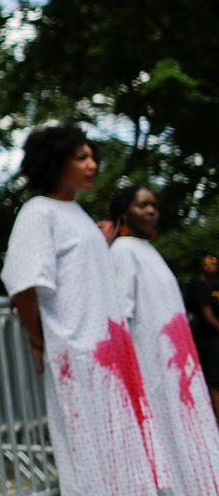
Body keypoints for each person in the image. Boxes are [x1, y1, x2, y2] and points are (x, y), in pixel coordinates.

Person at [0, 124, 162, 496]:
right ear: (56, 162)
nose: (92, 164)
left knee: (123, 456)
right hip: (79, 355)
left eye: (93, 157)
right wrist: (40, 340)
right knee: (90, 460)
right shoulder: (39, 211)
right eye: (81, 157)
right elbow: (23, 284)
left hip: (110, 356)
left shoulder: (78, 216)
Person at [109, 185, 219, 493]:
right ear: (123, 213)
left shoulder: (148, 251)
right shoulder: (122, 251)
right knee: (165, 438)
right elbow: (120, 316)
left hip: (178, 369)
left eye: (154, 205)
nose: (152, 211)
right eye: (143, 205)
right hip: (151, 366)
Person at [186, 253, 219, 423]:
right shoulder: (199, 285)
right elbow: (208, 316)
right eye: (207, 263)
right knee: (214, 378)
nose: (212, 266)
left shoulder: (214, 285)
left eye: (214, 262)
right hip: (205, 338)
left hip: (214, 337)